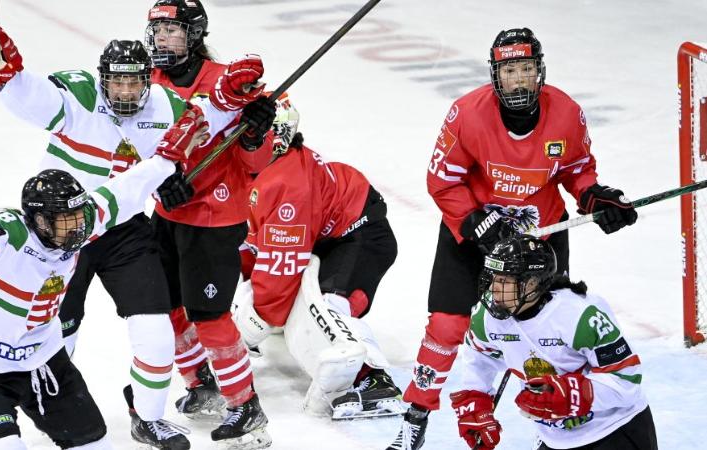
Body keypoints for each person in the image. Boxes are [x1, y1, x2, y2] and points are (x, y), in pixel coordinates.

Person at [0, 27, 263, 449]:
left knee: (156, 332)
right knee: (56, 338)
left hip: (122, 231)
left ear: (148, 80)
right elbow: (30, 94)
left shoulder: (163, 103)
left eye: (134, 81)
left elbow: (202, 117)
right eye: (117, 81)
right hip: (59, 236)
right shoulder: (78, 94)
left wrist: (231, 95)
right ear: (101, 78)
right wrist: (4, 70)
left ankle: (148, 419)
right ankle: (49, 415)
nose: (125, 91)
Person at [386, 28, 638, 450]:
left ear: (539, 71)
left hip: (538, 238)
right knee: (447, 326)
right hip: (473, 233)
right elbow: (442, 181)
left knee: (547, 328)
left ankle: (563, 422)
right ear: (495, 75)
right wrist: (472, 221)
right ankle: (417, 413)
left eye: (525, 69)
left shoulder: (567, 113)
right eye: (509, 71)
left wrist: (595, 197)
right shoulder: (466, 114)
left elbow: (577, 169)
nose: (518, 79)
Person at [0, 112, 203, 449]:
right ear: (39, 220)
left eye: (77, 216)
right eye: (64, 220)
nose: (76, 227)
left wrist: (167, 157)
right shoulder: (9, 236)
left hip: (47, 366)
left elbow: (125, 189)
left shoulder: (81, 223)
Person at [124, 1, 277, 448]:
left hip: (215, 217)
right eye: (157, 32)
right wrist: (160, 183)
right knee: (162, 308)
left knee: (209, 316)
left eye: (172, 31)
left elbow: (257, 162)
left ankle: (245, 405)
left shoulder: (230, 83)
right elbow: (135, 149)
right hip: (167, 214)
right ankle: (200, 381)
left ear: (194, 35)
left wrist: (254, 131)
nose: (162, 40)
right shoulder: (150, 84)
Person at [231, 94, 402, 420]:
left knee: (324, 304)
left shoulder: (286, 183)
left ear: (276, 137)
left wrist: (252, 324)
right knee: (293, 305)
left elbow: (280, 274)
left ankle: (372, 377)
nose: (239, 140)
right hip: (323, 237)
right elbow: (249, 244)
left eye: (249, 133)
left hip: (360, 238)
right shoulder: (262, 170)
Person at [449, 234, 657, 450]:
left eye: (504, 281)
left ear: (530, 284)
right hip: (555, 440)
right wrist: (476, 399)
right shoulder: (487, 317)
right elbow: (480, 355)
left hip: (615, 430)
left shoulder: (579, 314)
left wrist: (574, 395)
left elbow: (627, 379)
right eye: (493, 278)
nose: (494, 289)